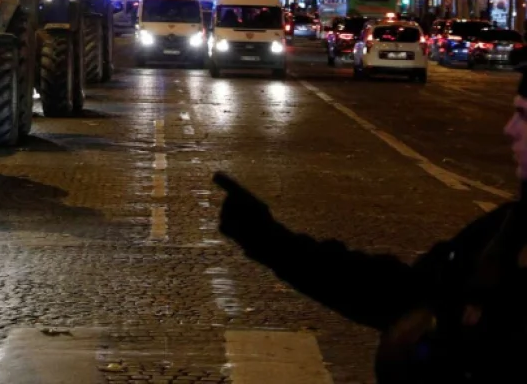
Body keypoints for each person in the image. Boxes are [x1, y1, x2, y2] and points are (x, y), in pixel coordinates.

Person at [215, 58, 527, 382]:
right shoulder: (504, 228)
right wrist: (269, 240)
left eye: (523, 115)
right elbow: (400, 292)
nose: (509, 129)